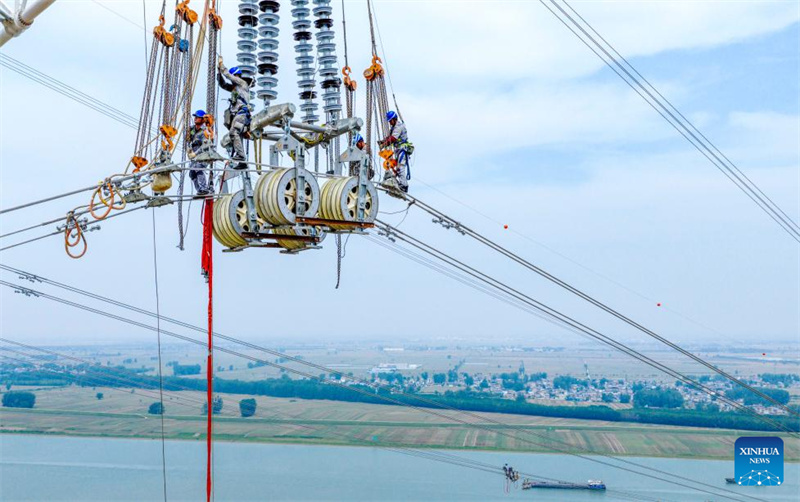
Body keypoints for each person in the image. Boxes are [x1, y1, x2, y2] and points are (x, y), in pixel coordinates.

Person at [217, 57, 252, 169]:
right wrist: (219, 73)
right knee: (235, 135)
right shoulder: (234, 88)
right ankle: (243, 162)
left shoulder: (242, 83)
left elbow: (228, 75)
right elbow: (223, 84)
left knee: (233, 132)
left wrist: (222, 65)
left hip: (242, 112)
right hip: (237, 114)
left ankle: (241, 156)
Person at [379, 110, 412, 192]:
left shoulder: (398, 127)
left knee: (401, 167)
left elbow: (393, 138)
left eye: (390, 120)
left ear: (394, 119)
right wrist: (383, 141)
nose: (390, 122)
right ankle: (399, 183)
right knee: (397, 168)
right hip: (398, 150)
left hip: (402, 149)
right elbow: (389, 137)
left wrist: (384, 144)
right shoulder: (394, 128)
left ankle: (404, 185)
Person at [187, 109, 212, 196]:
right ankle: (199, 191)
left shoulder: (204, 131)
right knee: (191, 173)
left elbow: (204, 146)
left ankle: (204, 189)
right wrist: (189, 149)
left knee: (198, 168)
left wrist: (195, 153)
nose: (195, 119)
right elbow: (189, 140)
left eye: (198, 117)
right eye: (195, 117)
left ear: (202, 120)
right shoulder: (192, 129)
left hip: (203, 155)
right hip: (194, 157)